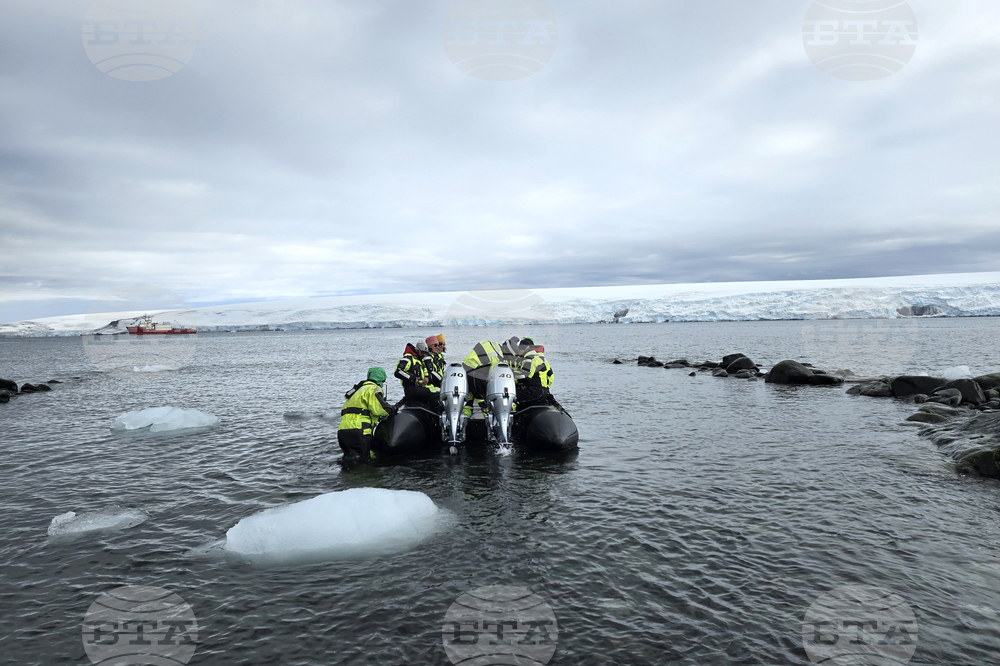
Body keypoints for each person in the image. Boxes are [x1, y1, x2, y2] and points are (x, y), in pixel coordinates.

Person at [338, 367, 395, 461]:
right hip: (360, 430)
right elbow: (381, 410)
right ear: (382, 379)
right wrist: (392, 409)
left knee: (350, 461)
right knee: (364, 462)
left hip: (343, 431)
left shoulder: (356, 390)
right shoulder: (373, 389)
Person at [394, 341, 440, 408]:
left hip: (421, 387)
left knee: (440, 392)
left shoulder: (420, 360)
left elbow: (426, 372)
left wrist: (427, 377)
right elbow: (398, 372)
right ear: (417, 350)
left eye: (425, 353)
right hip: (412, 388)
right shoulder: (408, 359)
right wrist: (413, 378)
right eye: (422, 353)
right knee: (436, 395)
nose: (424, 355)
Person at [462, 338, 506, 407]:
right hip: (475, 373)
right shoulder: (496, 358)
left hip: (465, 368)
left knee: (469, 398)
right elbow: (492, 378)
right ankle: (487, 413)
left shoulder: (494, 346)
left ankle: (465, 416)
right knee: (483, 398)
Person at [512, 337, 554, 407]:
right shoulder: (540, 358)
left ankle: (510, 414)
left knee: (510, 395)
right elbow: (551, 376)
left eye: (520, 349)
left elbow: (525, 376)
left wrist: (510, 378)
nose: (518, 351)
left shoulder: (528, 358)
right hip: (544, 391)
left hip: (533, 391)